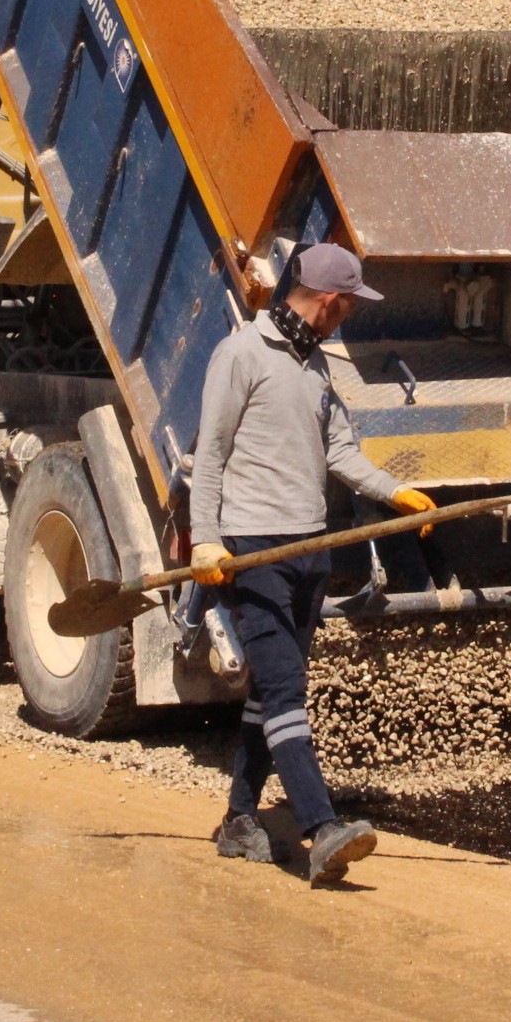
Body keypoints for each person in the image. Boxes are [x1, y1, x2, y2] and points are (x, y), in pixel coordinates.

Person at [188, 242, 435, 887]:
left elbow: (341, 453)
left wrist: (393, 493)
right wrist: (204, 542)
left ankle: (240, 817)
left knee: (271, 692)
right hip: (255, 551)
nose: (352, 314)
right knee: (287, 693)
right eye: (351, 303)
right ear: (330, 300)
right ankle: (321, 828)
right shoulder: (241, 355)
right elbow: (209, 454)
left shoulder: (314, 364)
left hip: (308, 552)